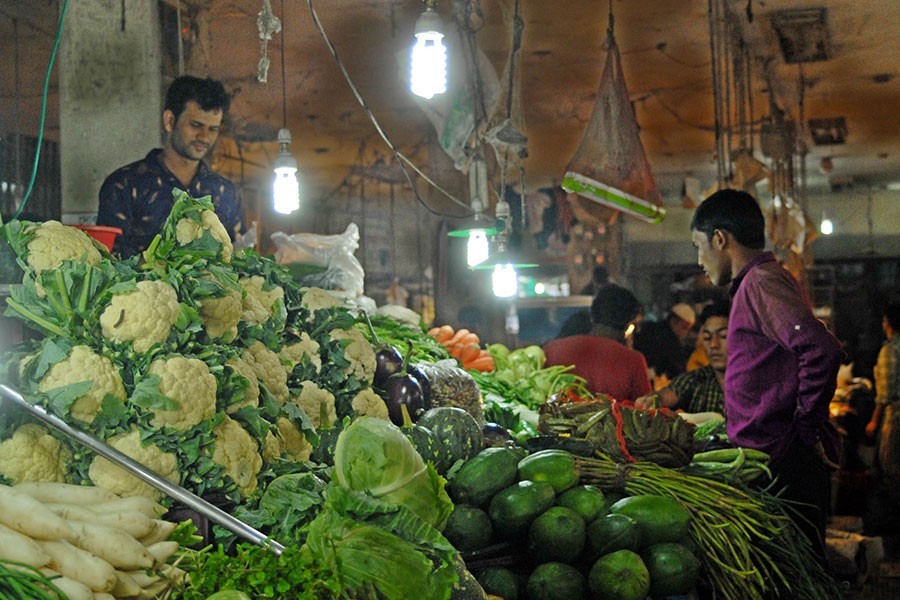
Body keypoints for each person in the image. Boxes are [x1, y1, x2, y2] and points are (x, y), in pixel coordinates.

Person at [690, 188, 843, 563]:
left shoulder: (760, 283)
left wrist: (807, 425)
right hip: (772, 459)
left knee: (794, 573)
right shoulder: (756, 283)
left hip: (783, 463)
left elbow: (821, 349)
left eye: (699, 246)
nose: (699, 260)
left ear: (720, 239)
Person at [97, 76, 244, 258]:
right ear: (169, 120)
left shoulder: (226, 192)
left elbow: (238, 259)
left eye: (212, 129)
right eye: (196, 125)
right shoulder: (124, 186)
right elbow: (109, 261)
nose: (204, 137)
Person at [543, 283, 652, 402]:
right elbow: (646, 410)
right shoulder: (633, 360)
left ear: (593, 313)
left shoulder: (552, 349)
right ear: (629, 322)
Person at [634, 300, 729, 415]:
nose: (714, 344)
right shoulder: (697, 380)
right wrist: (654, 399)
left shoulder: (755, 386)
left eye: (724, 336)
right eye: (707, 337)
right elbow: (669, 393)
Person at [865, 302, 900, 505]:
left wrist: (873, 421)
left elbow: (885, 394)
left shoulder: (889, 351)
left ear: (887, 323)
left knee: (891, 466)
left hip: (895, 415)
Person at [632, 301, 696, 381]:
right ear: (674, 321)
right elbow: (675, 369)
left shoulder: (649, 327)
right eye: (684, 327)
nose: (686, 333)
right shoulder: (670, 342)